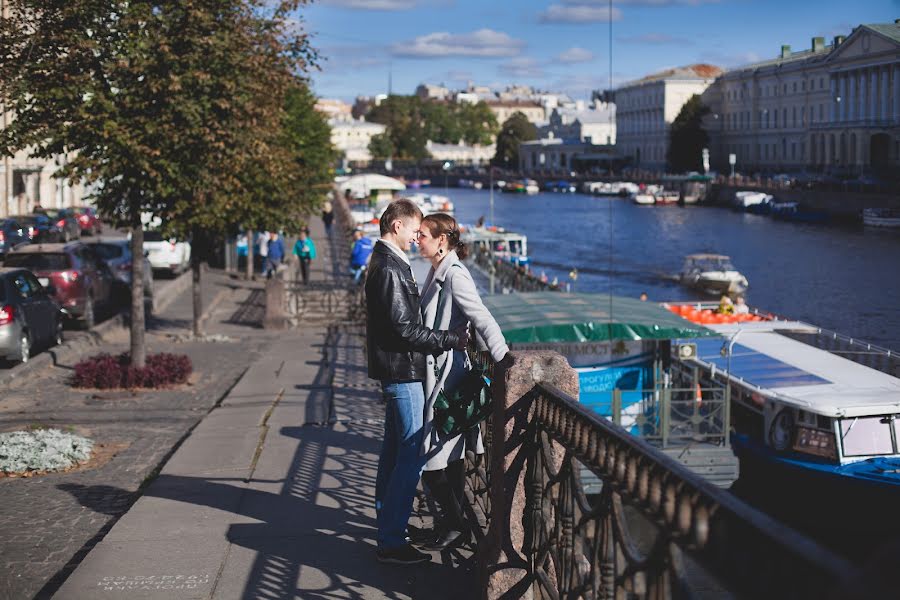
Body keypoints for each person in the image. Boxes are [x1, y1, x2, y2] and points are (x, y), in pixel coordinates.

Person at [366, 199, 469, 565]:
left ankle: (387, 528)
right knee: (412, 456)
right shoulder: (392, 267)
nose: (415, 236)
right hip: (402, 372)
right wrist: (451, 340)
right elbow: (405, 328)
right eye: (413, 229)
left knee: (393, 454)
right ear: (397, 227)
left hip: (396, 371)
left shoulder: (386, 262)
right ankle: (392, 541)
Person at [416, 213, 510, 551]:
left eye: (423, 234)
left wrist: (503, 360)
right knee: (448, 457)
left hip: (446, 377)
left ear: (442, 240)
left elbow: (481, 316)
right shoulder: (436, 271)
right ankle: (451, 526)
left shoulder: (454, 275)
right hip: (441, 372)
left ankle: (455, 524)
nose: (418, 238)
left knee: (429, 459)